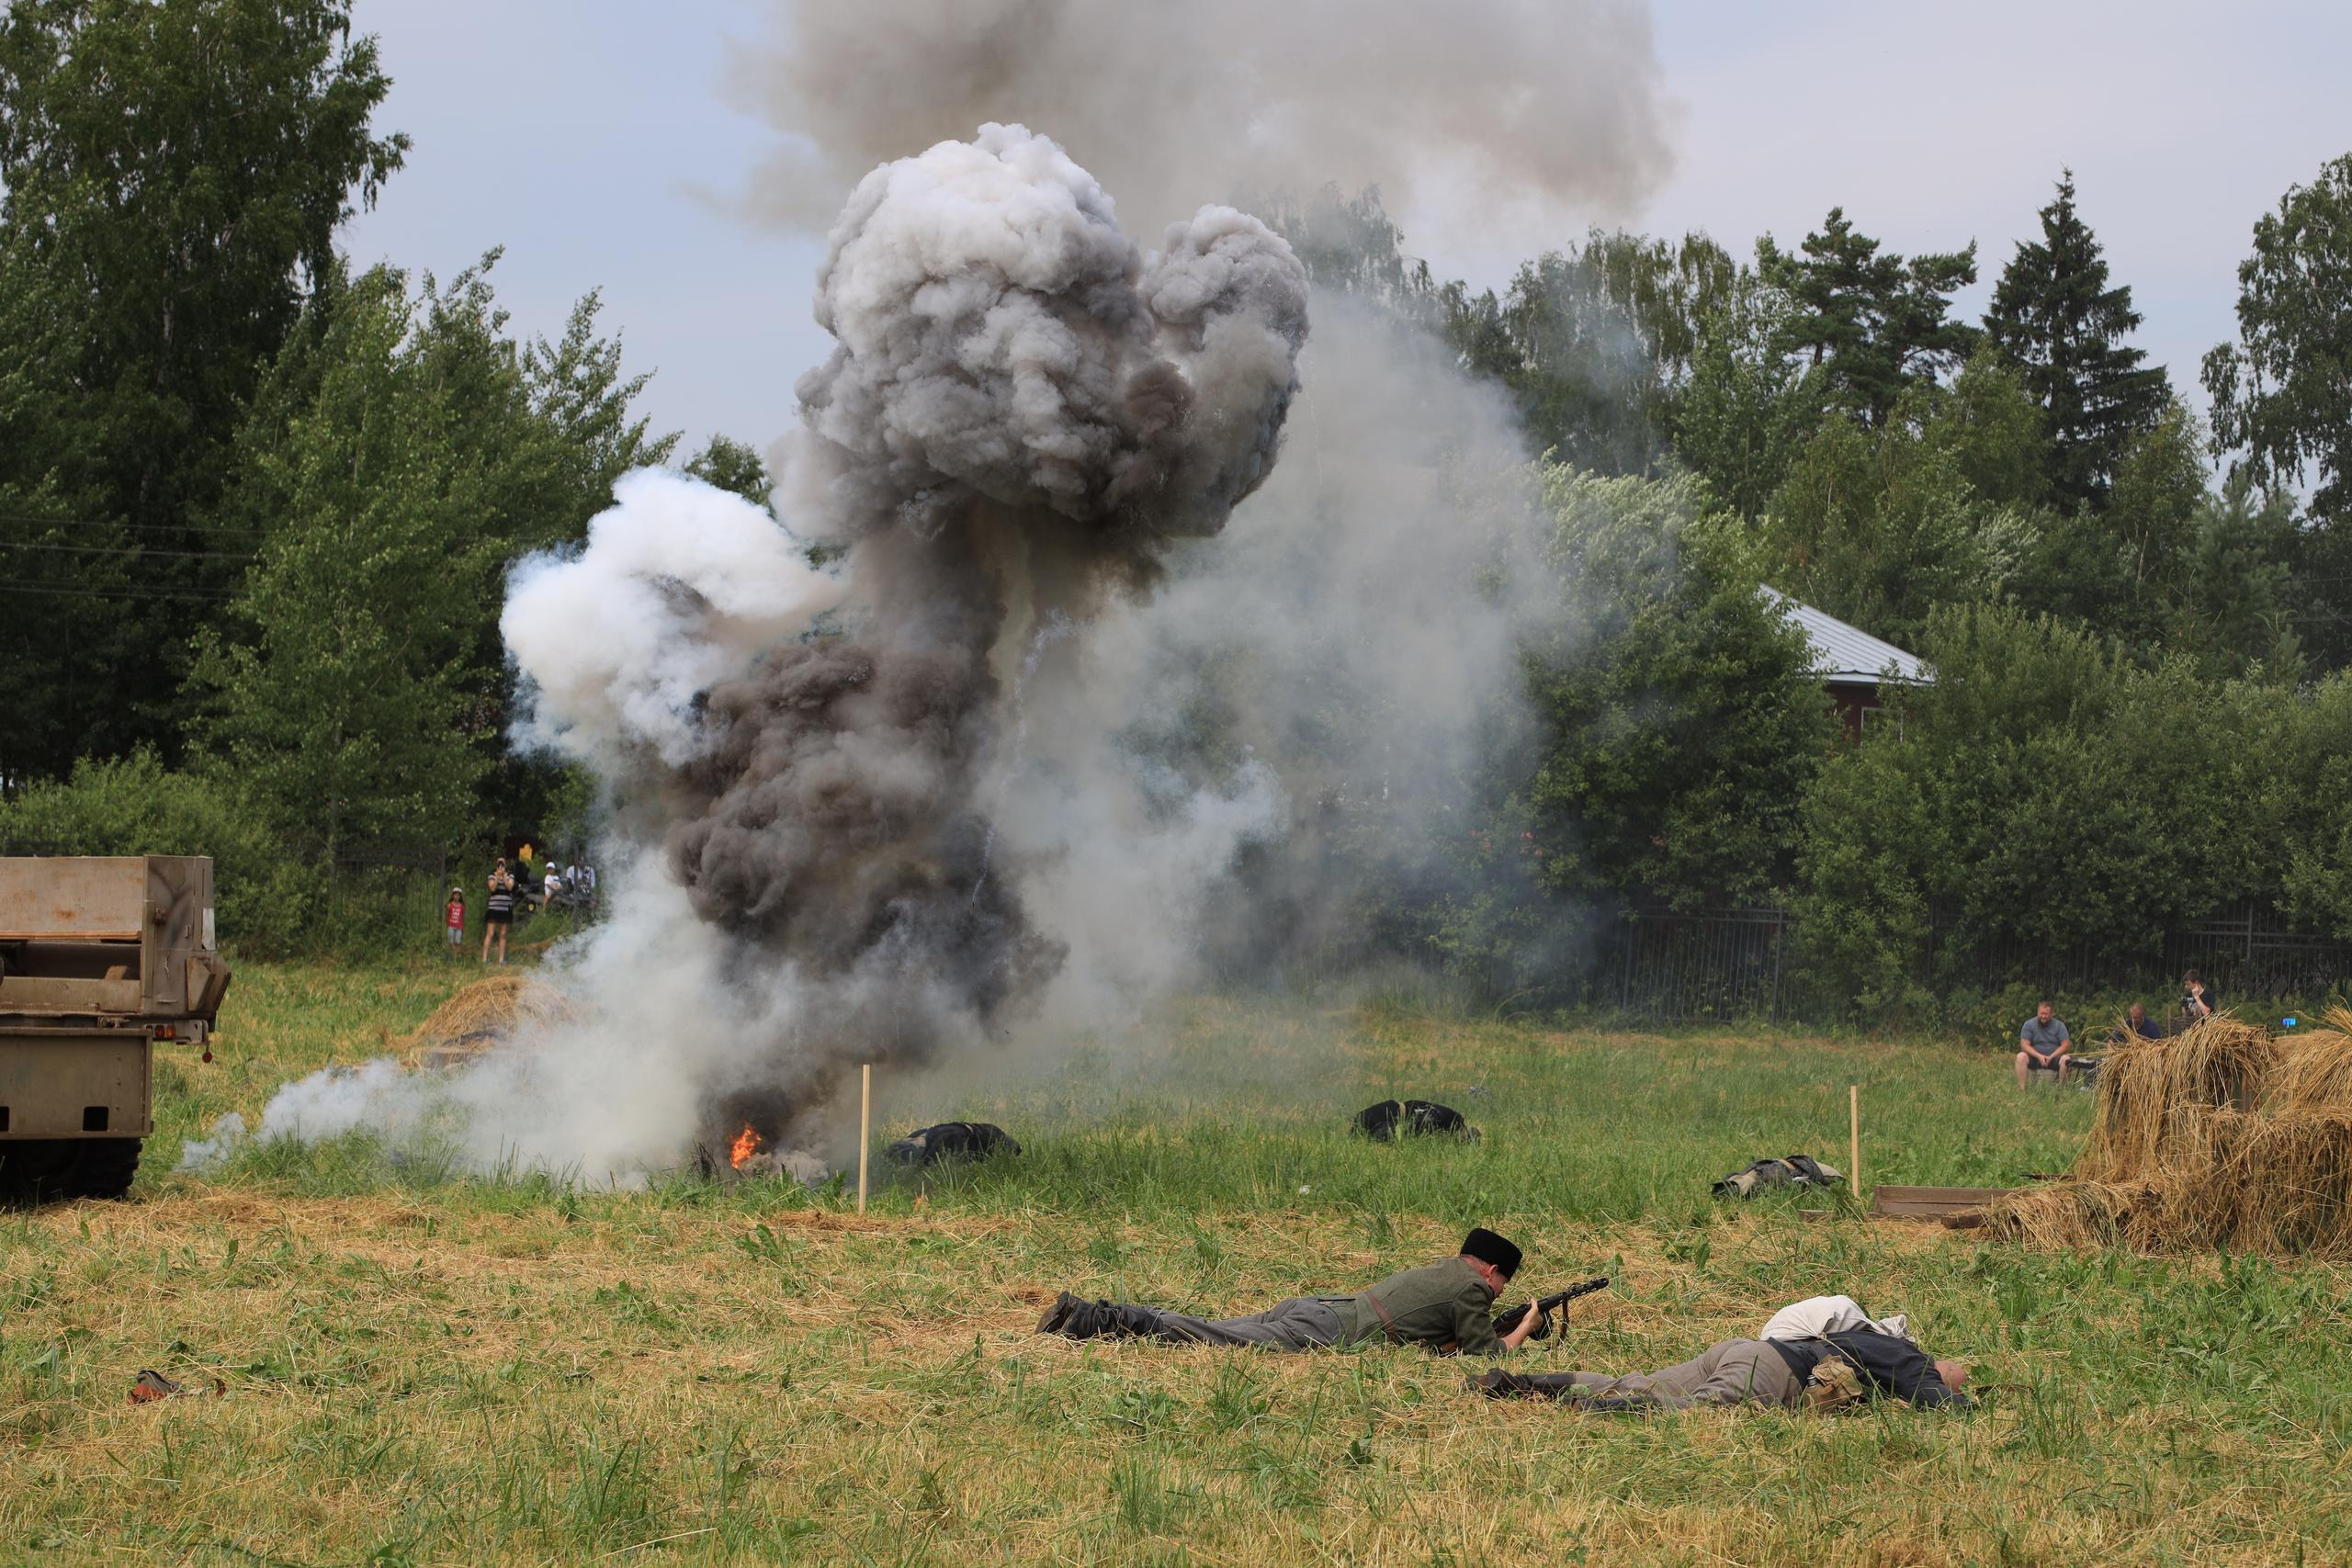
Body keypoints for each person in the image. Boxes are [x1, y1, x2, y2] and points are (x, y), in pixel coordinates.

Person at [1036, 1227, 1548, 1356]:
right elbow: (1483, 1357)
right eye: (1505, 1283)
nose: (1502, 1293)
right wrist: (1525, 1326)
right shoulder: (1473, 1291)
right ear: (1492, 1271)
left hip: (1320, 1307)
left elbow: (1437, 1339)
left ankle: (1094, 1315)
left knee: (1211, 1328)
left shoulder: (1446, 1270)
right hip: (1324, 1327)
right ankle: (1096, 1322)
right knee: (1211, 1339)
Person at [1476, 1325, 1971, 1412]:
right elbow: (1942, 1401)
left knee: (1641, 1381)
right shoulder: (1913, 1362)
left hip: (1745, 1349)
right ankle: (1594, 1409)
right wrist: (1964, 1398)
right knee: (1693, 1411)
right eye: (1947, 1371)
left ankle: (1529, 1384)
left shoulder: (1868, 1338)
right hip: (1776, 1373)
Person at [2017, 1001, 2072, 1087]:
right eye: (2041, 1013)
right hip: (2034, 1058)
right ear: (2037, 1012)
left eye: (2046, 1014)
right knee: (2021, 1056)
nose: (2043, 1016)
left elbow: (2066, 1045)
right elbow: (2024, 1045)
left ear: (2051, 1014)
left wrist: (2052, 1056)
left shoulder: (2059, 1025)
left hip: (2054, 1058)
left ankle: (2062, 1090)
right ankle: (2021, 1089)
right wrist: (2039, 1056)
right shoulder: (2029, 1024)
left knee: (2066, 1059)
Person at [481, 858, 516, 964]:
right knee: (490, 933)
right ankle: (484, 959)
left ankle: (501, 959)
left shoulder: (510, 875)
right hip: (494, 907)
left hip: (505, 908)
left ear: (506, 864)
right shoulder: (492, 875)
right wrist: (497, 876)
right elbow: (492, 888)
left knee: (503, 933)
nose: (501, 865)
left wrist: (504, 877)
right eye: (499, 863)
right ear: (496, 864)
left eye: (503, 863)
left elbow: (510, 887)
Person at [443, 887, 465, 954]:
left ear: (460, 896)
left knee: (458, 943)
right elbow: (447, 915)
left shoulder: (462, 906)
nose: (457, 896)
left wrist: (462, 927)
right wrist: (448, 924)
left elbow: (462, 917)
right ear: (452, 895)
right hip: (451, 926)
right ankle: (449, 955)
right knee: (450, 942)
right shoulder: (449, 905)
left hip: (459, 927)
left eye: (458, 895)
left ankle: (456, 957)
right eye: (455, 895)